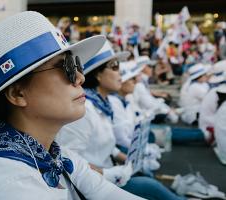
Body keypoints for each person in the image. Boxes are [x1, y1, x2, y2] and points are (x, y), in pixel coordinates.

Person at [0, 11, 142, 200]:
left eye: (76, 65)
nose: (81, 77)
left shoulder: (53, 154)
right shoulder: (8, 184)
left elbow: (103, 190)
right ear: (17, 93)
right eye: (65, 67)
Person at [57, 41, 186, 200]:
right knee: (149, 187)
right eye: (115, 66)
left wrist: (129, 161)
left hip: (108, 174)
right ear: (98, 74)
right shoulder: (85, 109)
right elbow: (67, 162)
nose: (121, 74)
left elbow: (108, 147)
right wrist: (109, 173)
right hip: (92, 187)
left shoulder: (103, 104)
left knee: (149, 182)